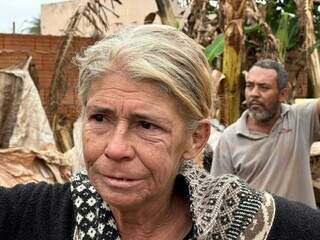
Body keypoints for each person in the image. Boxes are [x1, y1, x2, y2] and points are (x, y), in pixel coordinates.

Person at [0, 25, 320, 240]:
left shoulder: (248, 221)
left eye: (146, 125)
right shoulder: (37, 217)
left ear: (195, 138)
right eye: (100, 118)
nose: (116, 148)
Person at [211, 58, 320, 208]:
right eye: (250, 86)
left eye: (263, 87)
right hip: (258, 231)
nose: (254, 93)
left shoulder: (301, 118)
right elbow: (219, 198)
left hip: (304, 228)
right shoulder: (230, 138)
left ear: (283, 94)